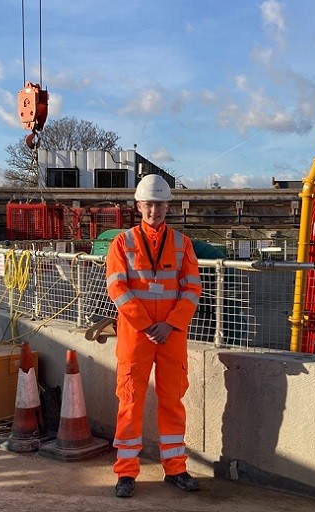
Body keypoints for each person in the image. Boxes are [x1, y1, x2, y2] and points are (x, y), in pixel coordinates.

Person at [106, 174, 202, 498]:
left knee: (173, 402)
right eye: (149, 204)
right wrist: (147, 325)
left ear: (167, 206)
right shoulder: (122, 243)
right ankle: (126, 473)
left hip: (171, 335)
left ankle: (175, 469)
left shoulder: (181, 243)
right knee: (130, 401)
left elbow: (192, 289)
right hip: (137, 336)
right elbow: (116, 288)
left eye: (159, 204)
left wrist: (171, 324)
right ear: (138, 206)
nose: (154, 210)